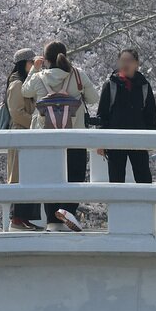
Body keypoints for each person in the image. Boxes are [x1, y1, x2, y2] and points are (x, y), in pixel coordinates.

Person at [22, 40, 99, 231]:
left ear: (46, 59)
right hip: (75, 135)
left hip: (47, 139)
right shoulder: (78, 74)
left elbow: (25, 91)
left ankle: (52, 221)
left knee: (49, 177)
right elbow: (94, 98)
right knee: (75, 175)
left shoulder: (39, 77)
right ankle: (68, 211)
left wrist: (34, 69)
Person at [96, 48, 156, 184]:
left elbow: (150, 115)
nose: (125, 64)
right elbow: (102, 114)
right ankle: (116, 205)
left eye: (129, 61)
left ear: (137, 64)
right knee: (116, 178)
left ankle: (145, 204)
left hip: (139, 137)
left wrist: (152, 137)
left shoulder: (144, 86)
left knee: (143, 178)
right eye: (122, 60)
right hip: (114, 138)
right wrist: (101, 140)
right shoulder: (111, 85)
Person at [5, 49, 43, 231]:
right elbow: (17, 113)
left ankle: (26, 217)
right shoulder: (16, 84)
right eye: (30, 63)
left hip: (28, 134)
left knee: (31, 176)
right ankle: (17, 218)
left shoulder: (25, 83)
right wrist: (36, 122)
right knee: (20, 176)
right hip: (21, 133)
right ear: (23, 64)